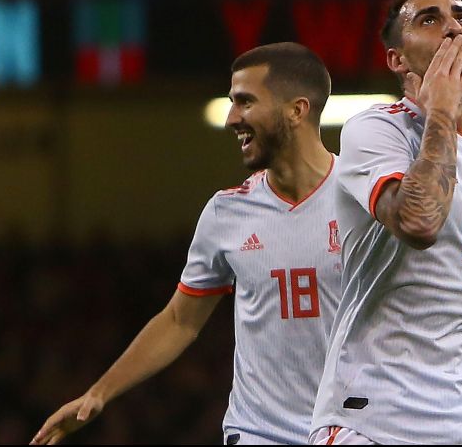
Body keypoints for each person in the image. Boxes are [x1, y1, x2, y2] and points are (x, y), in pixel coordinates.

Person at [30, 42, 343, 445]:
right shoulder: (227, 212)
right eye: (232, 103)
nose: (231, 118)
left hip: (350, 429)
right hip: (261, 432)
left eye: (245, 102)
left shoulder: (363, 199)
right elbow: (180, 320)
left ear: (296, 110)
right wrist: (99, 393)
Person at [310, 0, 462, 445]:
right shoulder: (374, 131)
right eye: (429, 20)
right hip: (374, 413)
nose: (452, 27)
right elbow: (420, 222)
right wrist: (442, 114)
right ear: (397, 59)